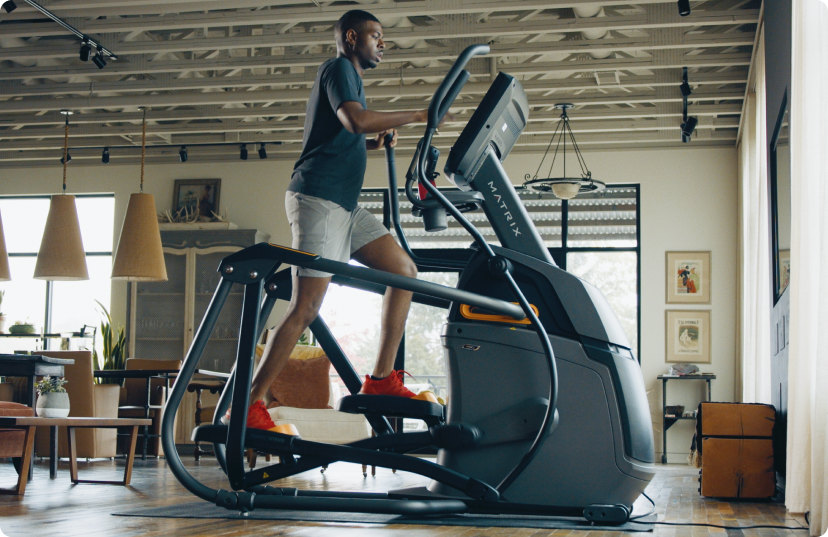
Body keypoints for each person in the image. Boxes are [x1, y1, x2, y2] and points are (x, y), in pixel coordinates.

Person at [227, 10, 439, 431]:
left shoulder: (351, 79)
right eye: (376, 36)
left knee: (403, 271)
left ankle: (380, 381)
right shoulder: (339, 67)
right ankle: (248, 407)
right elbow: (354, 120)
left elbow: (346, 133)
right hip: (318, 199)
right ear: (351, 36)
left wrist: (374, 142)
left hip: (343, 204)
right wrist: (416, 116)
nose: (382, 43)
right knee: (305, 307)